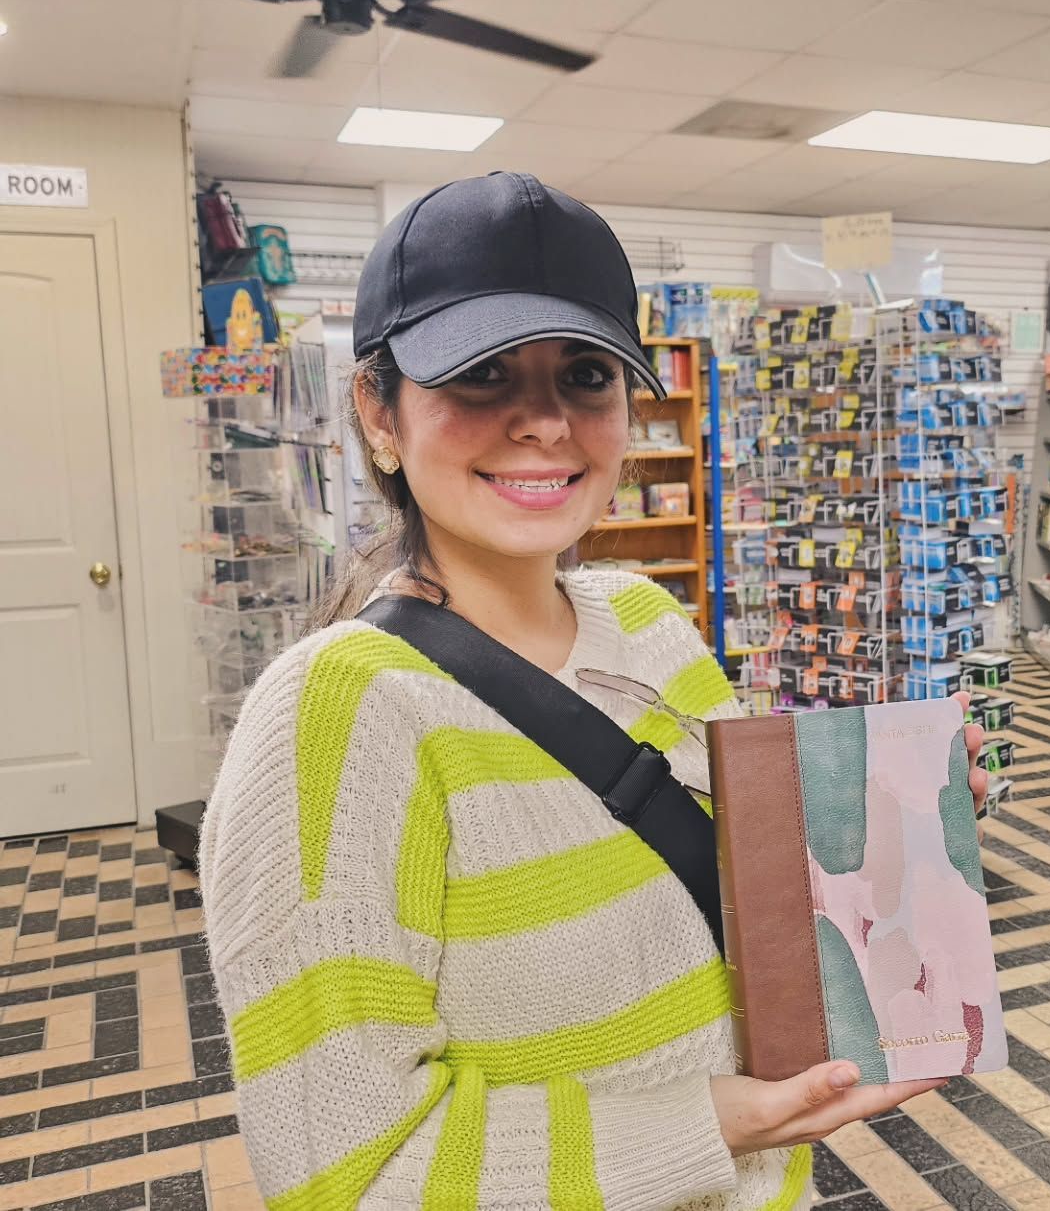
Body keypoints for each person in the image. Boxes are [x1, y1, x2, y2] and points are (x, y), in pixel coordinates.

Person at [199, 172, 992, 1210]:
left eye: (585, 374)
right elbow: (347, 1170)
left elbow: (751, 891)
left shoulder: (650, 623)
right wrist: (712, 1123)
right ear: (378, 412)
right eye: (480, 374)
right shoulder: (336, 717)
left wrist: (897, 832)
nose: (543, 423)